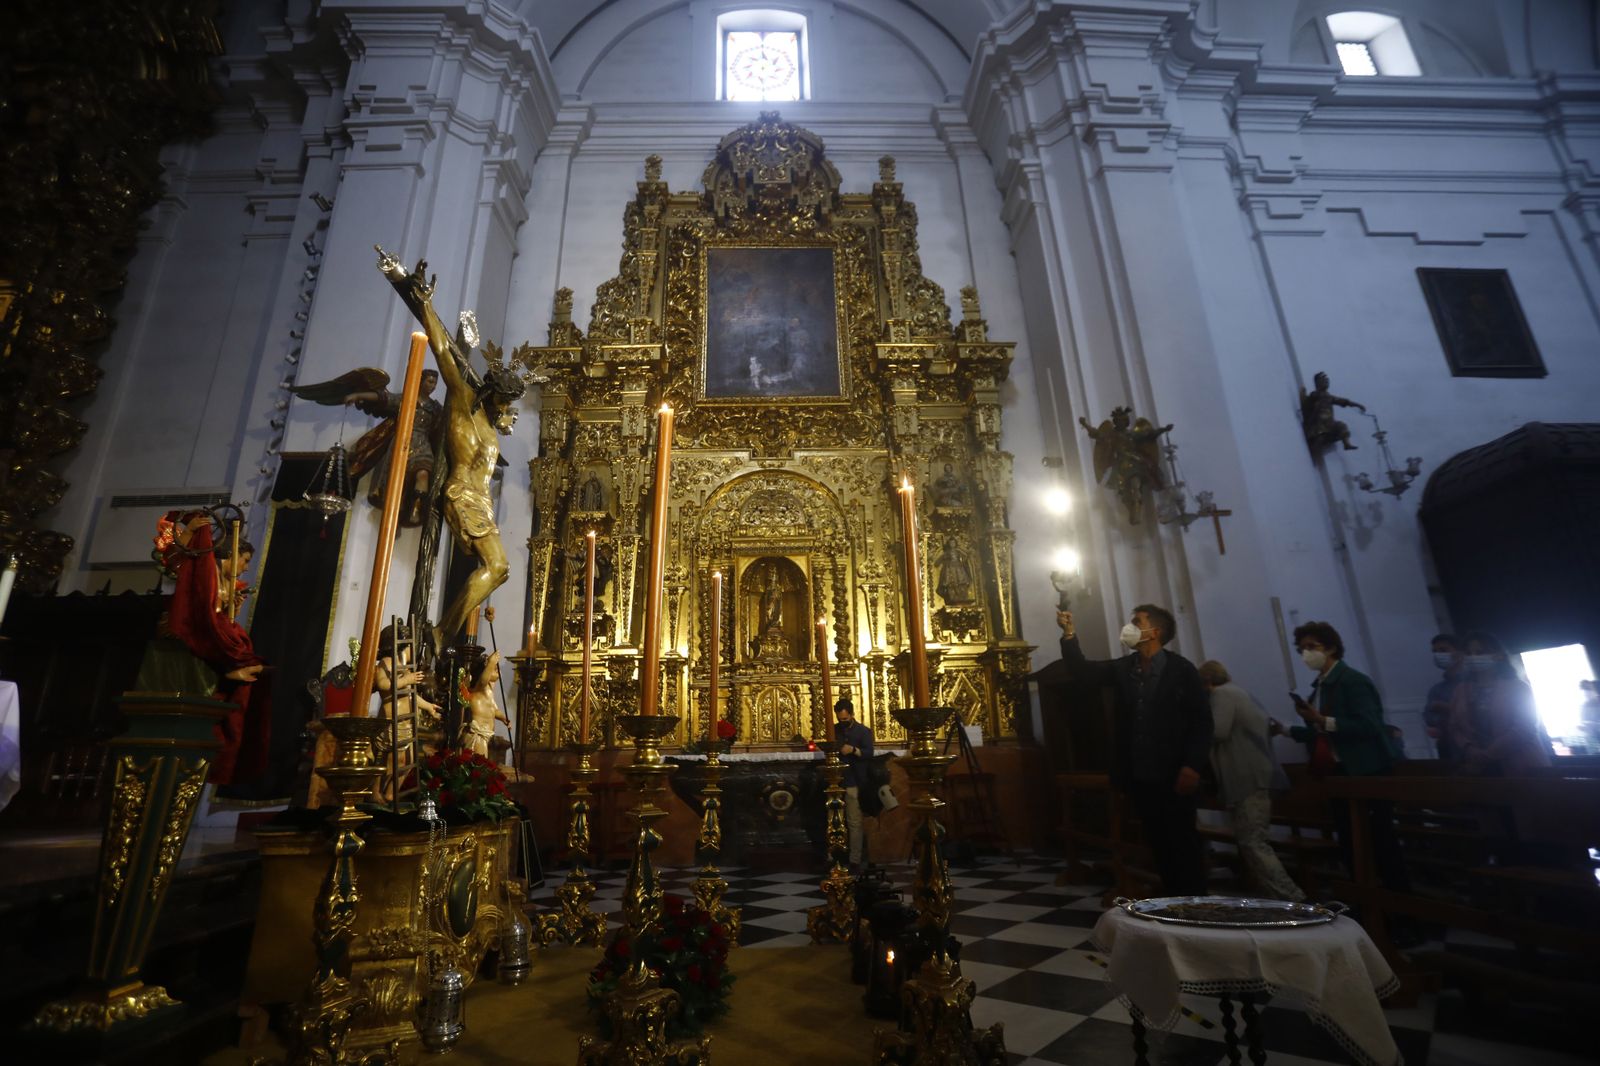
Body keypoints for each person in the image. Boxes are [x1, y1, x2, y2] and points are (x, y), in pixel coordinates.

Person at [379, 247, 526, 647]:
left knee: (501, 570)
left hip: (479, 502)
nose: (507, 411)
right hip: (462, 493)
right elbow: (444, 351)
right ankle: (442, 633)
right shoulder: (464, 404)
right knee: (496, 566)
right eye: (505, 403)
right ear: (493, 395)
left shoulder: (491, 430)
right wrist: (425, 305)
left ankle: (444, 631)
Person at [1057, 603, 1211, 896]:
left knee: (1183, 840)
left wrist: (1193, 764)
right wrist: (1069, 634)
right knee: (1156, 841)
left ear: (1155, 631)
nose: (1129, 627)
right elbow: (1083, 672)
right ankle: (1171, 901)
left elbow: (1201, 721)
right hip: (1140, 774)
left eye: (1136, 622)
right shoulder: (1124, 668)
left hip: (1175, 772)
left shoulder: (1181, 670)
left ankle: (1195, 901)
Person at [1271, 621, 1408, 893]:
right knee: (1350, 842)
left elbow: (1369, 726)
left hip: (1366, 770)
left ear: (1331, 647)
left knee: (1379, 841)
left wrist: (1322, 719)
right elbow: (1322, 733)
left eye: (1312, 647)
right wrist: (1286, 729)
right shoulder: (1320, 686)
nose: (1305, 654)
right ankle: (1366, 900)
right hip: (1340, 771)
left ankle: (1400, 907)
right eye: (1301, 649)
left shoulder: (1352, 681)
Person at [1199, 660, 1305, 902]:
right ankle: (1275, 895)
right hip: (1254, 775)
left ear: (1206, 682)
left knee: (1253, 841)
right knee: (1252, 840)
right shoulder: (1241, 692)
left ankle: (1292, 898)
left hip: (1248, 776)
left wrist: (1190, 730)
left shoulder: (1222, 694)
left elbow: (1218, 731)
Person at [291, 367, 444, 527]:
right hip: (403, 444)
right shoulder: (406, 401)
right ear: (420, 381)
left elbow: (442, 428)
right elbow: (382, 397)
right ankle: (400, 507)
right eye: (430, 381)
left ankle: (416, 509)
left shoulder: (435, 408)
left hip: (423, 445)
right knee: (399, 482)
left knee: (424, 475)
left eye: (435, 383)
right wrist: (357, 395)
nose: (432, 386)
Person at [1449, 631, 1552, 776]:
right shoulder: (1460, 690)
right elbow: (1454, 726)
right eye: (1468, 653)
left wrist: (1487, 755)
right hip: (1475, 766)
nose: (1473, 657)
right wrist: (1469, 748)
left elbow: (1525, 727)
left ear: (1498, 655)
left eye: (1480, 652)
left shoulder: (1518, 687)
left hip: (1520, 762)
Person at [833, 696, 875, 869]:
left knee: (854, 822)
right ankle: (835, 855)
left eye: (845, 719)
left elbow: (869, 753)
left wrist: (853, 750)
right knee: (835, 820)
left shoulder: (863, 731)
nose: (842, 722)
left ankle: (855, 859)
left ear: (851, 715)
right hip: (836, 781)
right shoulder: (834, 730)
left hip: (854, 781)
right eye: (839, 719)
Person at [1298, 371, 1366, 452]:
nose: (1326, 383)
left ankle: (1346, 443)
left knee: (1341, 425)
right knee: (1320, 433)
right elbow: (1307, 403)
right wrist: (1304, 396)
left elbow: (1344, 401)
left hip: (1330, 424)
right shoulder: (1315, 395)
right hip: (1318, 423)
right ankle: (1316, 444)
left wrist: (1358, 405)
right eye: (1324, 381)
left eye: (1327, 381)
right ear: (1318, 383)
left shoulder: (1329, 397)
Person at [1423, 633, 1466, 761]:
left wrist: (1448, 708)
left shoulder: (1473, 683)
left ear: (1459, 654)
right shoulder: (1437, 689)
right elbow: (1429, 718)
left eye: (1443, 650)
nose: (1438, 655)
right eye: (1435, 651)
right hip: (1449, 748)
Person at [460, 651, 510, 758]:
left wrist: (503, 717)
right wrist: (491, 662)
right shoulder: (479, 688)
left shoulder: (489, 691)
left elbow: (493, 710)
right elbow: (483, 680)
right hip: (477, 736)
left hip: (485, 736)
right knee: (478, 765)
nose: (496, 670)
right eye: (493, 669)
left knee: (482, 766)